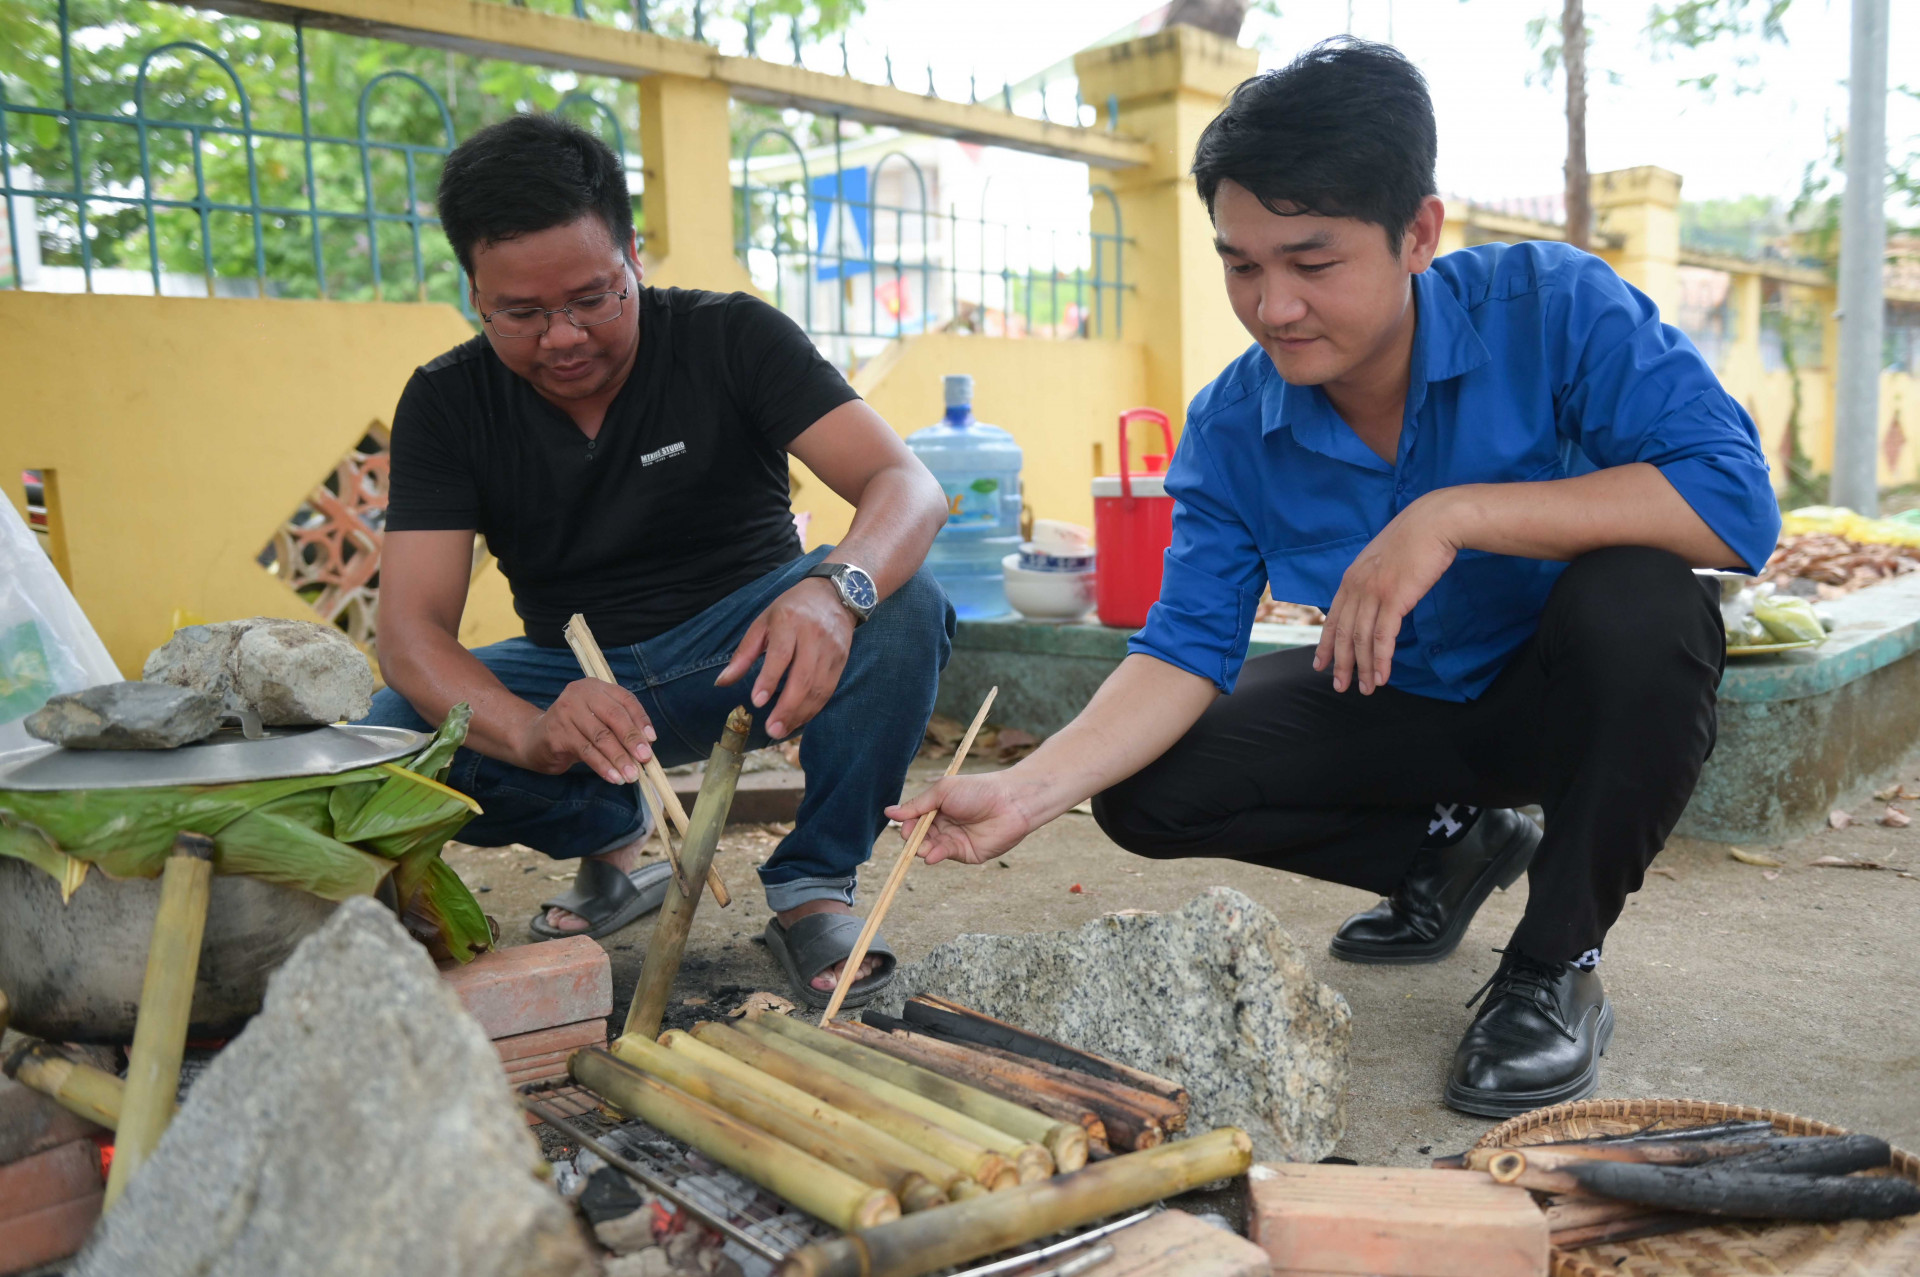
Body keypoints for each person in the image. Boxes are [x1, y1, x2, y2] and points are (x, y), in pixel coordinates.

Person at [886, 39, 1780, 1116]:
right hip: (1406, 705)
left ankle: (1553, 968)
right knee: (1147, 785)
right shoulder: (1232, 423)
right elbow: (1180, 649)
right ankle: (1450, 850)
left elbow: (1735, 507)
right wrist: (1027, 792)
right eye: (1241, 264)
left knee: (1645, 597)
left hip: (1567, 693)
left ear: (1419, 234)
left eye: (1312, 263)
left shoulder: (1552, 309)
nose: (1273, 308)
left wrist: (1452, 514)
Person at [364, 114, 953, 1009]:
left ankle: (814, 887)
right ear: (474, 291)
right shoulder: (447, 401)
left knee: (903, 603)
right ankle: (611, 822)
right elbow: (409, 632)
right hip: (580, 676)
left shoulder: (731, 338)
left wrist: (836, 593)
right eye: (520, 313)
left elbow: (906, 485)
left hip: (749, 646)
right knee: (399, 724)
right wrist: (530, 733)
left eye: (594, 297)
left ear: (633, 254)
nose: (562, 336)